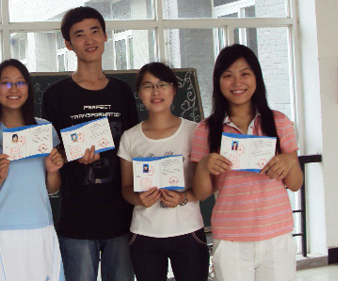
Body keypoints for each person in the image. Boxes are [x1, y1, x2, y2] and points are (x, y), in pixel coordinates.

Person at [42, 6, 138, 281]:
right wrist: (70, 155)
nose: (89, 40)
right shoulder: (55, 95)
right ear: (68, 44)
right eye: (79, 34)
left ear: (105, 36)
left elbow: (134, 147)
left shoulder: (122, 91)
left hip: (122, 217)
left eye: (95, 31)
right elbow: (52, 154)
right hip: (76, 218)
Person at [191, 44, 304, 281]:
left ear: (256, 78)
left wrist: (289, 160)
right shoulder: (206, 129)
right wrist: (203, 166)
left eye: (245, 74)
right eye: (228, 75)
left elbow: (295, 184)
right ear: (218, 81)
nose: (237, 82)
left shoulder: (279, 122)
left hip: (276, 234)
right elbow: (202, 193)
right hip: (230, 238)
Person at [0, 59, 64, 281]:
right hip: (2, 230)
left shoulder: (44, 130)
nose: (13, 89)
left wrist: (53, 170)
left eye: (20, 83)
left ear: (28, 88)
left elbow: (52, 189)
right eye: (6, 83)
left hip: (41, 226)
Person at [118, 62, 209, 281]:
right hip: (144, 235)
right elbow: (126, 188)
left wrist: (183, 197)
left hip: (188, 232)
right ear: (139, 93)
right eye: (148, 86)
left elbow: (206, 188)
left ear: (173, 89)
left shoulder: (194, 132)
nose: (156, 91)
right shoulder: (130, 137)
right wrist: (139, 199)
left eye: (162, 85)